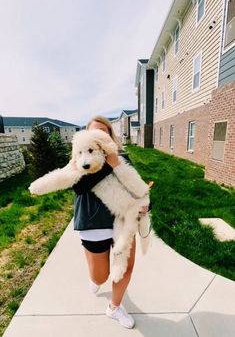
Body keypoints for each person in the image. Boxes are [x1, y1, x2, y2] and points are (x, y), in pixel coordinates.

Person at [73, 116, 149, 329]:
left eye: (104, 132)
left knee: (125, 267)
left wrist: (145, 206)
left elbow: (137, 186)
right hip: (92, 223)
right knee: (101, 276)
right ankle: (95, 277)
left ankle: (114, 308)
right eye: (94, 131)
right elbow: (79, 186)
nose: (99, 136)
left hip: (123, 221)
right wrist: (111, 164)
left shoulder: (122, 157)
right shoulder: (79, 157)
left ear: (110, 135)